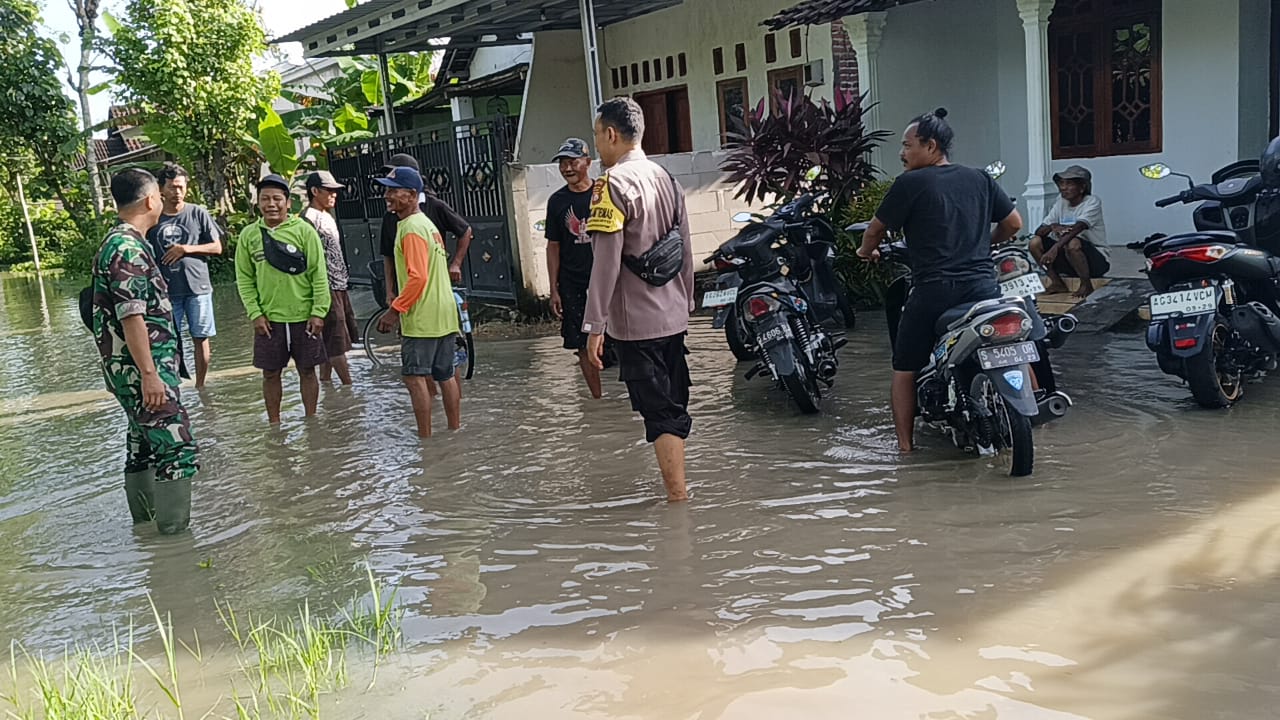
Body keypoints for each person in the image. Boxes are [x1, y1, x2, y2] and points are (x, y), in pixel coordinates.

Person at [856, 108, 1024, 453]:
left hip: (934, 293)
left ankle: (904, 447)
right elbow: (1014, 225)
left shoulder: (910, 183)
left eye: (907, 145)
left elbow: (875, 231)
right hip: (983, 288)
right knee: (1014, 349)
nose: (902, 154)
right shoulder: (980, 178)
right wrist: (983, 243)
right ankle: (1035, 419)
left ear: (930, 146)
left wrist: (865, 252)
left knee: (904, 367)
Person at [583, 97, 695, 503]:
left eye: (597, 135)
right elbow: (684, 247)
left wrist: (594, 327)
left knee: (660, 413)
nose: (596, 144)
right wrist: (687, 300)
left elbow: (606, 264)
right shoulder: (667, 178)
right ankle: (679, 492)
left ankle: (678, 500)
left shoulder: (610, 185)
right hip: (673, 316)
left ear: (612, 134)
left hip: (636, 324)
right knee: (673, 405)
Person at [91, 168, 198, 535]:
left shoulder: (114, 243)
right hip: (143, 373)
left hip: (129, 371)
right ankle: (175, 545)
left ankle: (146, 535)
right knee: (177, 449)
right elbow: (131, 315)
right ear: (151, 200)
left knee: (142, 447)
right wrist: (150, 375)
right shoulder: (127, 248)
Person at [234, 174, 331, 424]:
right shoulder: (248, 235)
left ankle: (311, 421)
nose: (271, 204)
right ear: (258, 203)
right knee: (269, 373)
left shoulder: (304, 231)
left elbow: (319, 274)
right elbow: (244, 279)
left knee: (308, 371)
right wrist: (255, 313)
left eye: (277, 198)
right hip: (269, 320)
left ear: (288, 203)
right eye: (265, 199)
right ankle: (274, 425)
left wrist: (319, 312)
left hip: (305, 316)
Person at [376, 166, 463, 438]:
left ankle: (424, 439)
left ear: (412, 194)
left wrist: (394, 311)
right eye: (386, 190)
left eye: (393, 190)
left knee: (414, 378)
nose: (387, 196)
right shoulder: (427, 225)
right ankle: (454, 431)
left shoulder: (411, 228)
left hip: (422, 318)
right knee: (446, 374)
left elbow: (417, 278)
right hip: (445, 313)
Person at [545, 137, 614, 398]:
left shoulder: (604, 193)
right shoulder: (557, 202)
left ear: (587, 162)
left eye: (572, 161)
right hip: (573, 283)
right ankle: (598, 402)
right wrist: (554, 288)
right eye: (563, 163)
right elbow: (553, 246)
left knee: (621, 338)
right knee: (582, 344)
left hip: (608, 279)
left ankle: (631, 399)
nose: (567, 168)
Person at [146, 162, 222, 389]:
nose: (177, 192)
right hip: (167, 291)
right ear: (161, 189)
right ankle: (172, 385)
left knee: (201, 337)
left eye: (180, 187)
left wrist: (186, 249)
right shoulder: (154, 218)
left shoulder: (197, 212)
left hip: (198, 287)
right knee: (168, 340)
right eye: (171, 187)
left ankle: (201, 386)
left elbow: (217, 247)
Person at [303, 170, 359, 386]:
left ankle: (326, 381)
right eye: (330, 191)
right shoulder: (308, 220)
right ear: (315, 191)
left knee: (330, 339)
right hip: (325, 286)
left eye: (336, 191)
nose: (334, 195)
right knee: (336, 340)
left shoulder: (326, 215)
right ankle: (348, 386)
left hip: (338, 284)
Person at [1030, 165, 1110, 299]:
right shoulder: (1060, 202)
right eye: (1061, 183)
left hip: (1096, 262)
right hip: (1068, 259)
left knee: (1072, 242)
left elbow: (1078, 227)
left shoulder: (1092, 202)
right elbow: (1039, 231)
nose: (1063, 187)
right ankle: (1057, 282)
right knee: (1034, 242)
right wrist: (1052, 227)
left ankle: (1086, 284)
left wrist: (1055, 248)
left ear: (1082, 187)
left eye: (1069, 184)